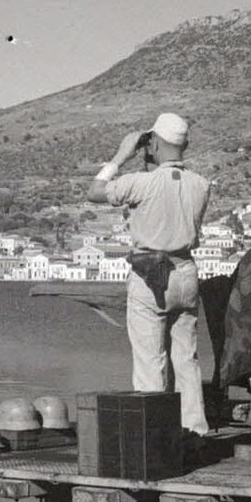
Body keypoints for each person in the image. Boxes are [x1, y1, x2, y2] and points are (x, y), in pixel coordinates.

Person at [87, 112, 211, 434]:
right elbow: (170, 190)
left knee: (150, 362)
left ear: (153, 142)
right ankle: (195, 432)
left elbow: (95, 192)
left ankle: (155, 437)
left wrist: (122, 155)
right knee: (186, 359)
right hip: (186, 272)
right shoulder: (201, 185)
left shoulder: (139, 184)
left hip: (150, 274)